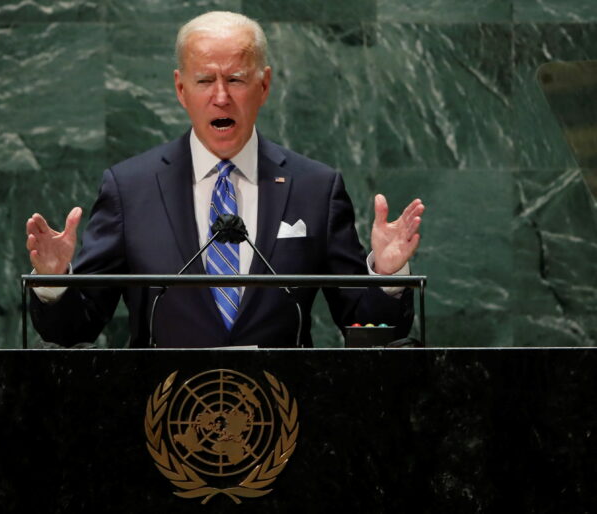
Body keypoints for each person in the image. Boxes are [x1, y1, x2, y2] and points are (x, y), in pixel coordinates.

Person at [26, 11, 425, 348]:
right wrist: (54, 282)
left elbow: (368, 331)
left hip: (281, 420)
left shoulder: (315, 188)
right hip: (165, 419)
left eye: (235, 79)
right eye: (204, 81)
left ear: (264, 85)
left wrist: (388, 279)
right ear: (181, 89)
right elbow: (76, 329)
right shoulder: (131, 189)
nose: (221, 97)